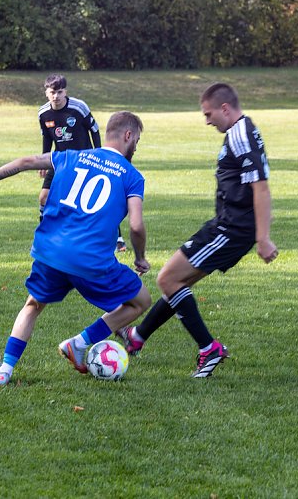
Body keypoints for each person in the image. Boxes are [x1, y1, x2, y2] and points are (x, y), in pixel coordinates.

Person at [0, 111, 151, 386]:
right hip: (91, 261)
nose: (136, 147)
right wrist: (140, 257)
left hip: (50, 251)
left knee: (33, 304)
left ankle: (4, 369)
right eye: (137, 141)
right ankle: (79, 343)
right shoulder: (132, 176)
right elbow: (135, 226)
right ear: (128, 136)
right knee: (141, 301)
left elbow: (27, 161)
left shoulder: (71, 156)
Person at [117, 83, 278, 378]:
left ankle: (209, 349)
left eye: (209, 114)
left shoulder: (240, 133)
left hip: (231, 228)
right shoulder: (242, 130)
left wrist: (263, 237)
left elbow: (261, 186)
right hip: (231, 225)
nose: (207, 121)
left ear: (225, 109)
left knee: (168, 278)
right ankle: (137, 337)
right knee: (180, 283)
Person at [37, 74, 127, 252]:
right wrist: (43, 161)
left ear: (65, 92)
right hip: (60, 160)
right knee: (44, 197)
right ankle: (46, 236)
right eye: (52, 92)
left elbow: (94, 130)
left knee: (97, 200)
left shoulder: (79, 107)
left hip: (85, 160)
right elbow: (47, 138)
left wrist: (100, 154)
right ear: (46, 93)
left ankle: (118, 238)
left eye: (60, 92)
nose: (56, 96)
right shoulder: (43, 113)